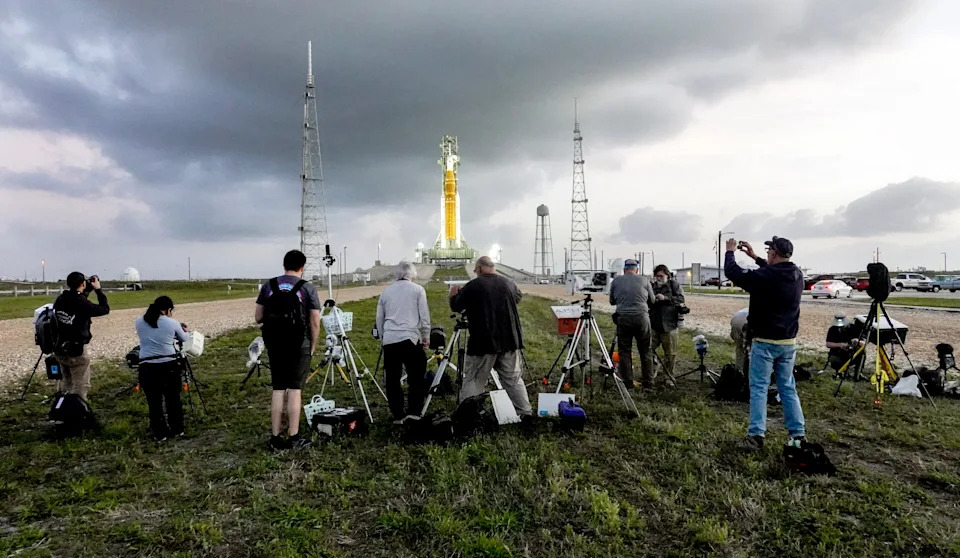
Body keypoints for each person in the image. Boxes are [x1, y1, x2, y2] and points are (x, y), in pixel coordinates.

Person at [724, 236, 806, 451]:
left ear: (774, 254)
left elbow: (732, 273)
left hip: (765, 342)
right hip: (788, 342)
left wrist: (730, 251)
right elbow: (773, 271)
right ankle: (797, 434)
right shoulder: (797, 274)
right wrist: (754, 257)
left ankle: (756, 435)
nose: (767, 253)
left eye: (769, 251)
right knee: (787, 388)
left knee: (759, 388)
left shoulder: (766, 276)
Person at [255, 250, 321, 451]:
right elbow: (315, 322)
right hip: (299, 344)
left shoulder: (269, 286)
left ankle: (275, 437)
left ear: (284, 265)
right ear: (302, 267)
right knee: (294, 389)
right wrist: (313, 346)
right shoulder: (307, 288)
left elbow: (258, 317)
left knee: (278, 388)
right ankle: (294, 437)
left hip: (275, 344)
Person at [449, 256, 531, 416]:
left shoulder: (473, 286)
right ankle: (525, 412)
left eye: (475, 270)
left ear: (479, 268)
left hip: (483, 342)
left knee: (474, 379)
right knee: (513, 379)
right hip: (509, 340)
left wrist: (452, 295)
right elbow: (517, 298)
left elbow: (457, 306)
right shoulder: (509, 283)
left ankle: (468, 415)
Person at [376, 261, 431, 423]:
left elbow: (379, 318)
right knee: (416, 377)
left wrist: (383, 337)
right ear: (412, 275)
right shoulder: (418, 290)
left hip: (390, 339)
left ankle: (397, 414)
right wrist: (426, 336)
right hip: (410, 338)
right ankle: (414, 411)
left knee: (392, 380)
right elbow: (424, 316)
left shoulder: (386, 292)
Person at [135, 296, 189, 441]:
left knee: (154, 402)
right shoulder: (172, 323)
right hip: (168, 364)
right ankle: (177, 429)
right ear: (168, 309)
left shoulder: (139, 321)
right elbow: (184, 338)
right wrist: (184, 329)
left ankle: (160, 433)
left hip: (146, 366)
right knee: (173, 398)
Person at [53, 272, 110, 401]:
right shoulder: (80, 302)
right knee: (81, 385)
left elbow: (76, 300)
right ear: (83, 283)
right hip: (76, 350)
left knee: (67, 382)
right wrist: (98, 290)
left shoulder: (60, 299)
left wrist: (85, 290)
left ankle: (64, 407)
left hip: (60, 348)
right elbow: (104, 309)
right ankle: (79, 408)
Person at [608, 259, 656, 389]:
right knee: (646, 351)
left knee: (624, 351)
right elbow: (652, 300)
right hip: (642, 318)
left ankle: (628, 382)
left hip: (623, 318)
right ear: (637, 270)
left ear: (624, 270)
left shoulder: (617, 280)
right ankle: (648, 383)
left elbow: (612, 301)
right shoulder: (644, 280)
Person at [650, 264, 685, 382]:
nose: (659, 278)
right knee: (648, 350)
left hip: (669, 325)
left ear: (667, 275)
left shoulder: (674, 285)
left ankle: (668, 376)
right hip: (654, 324)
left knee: (670, 353)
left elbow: (681, 299)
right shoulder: (651, 286)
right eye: (657, 276)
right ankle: (653, 369)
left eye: (661, 276)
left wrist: (665, 298)